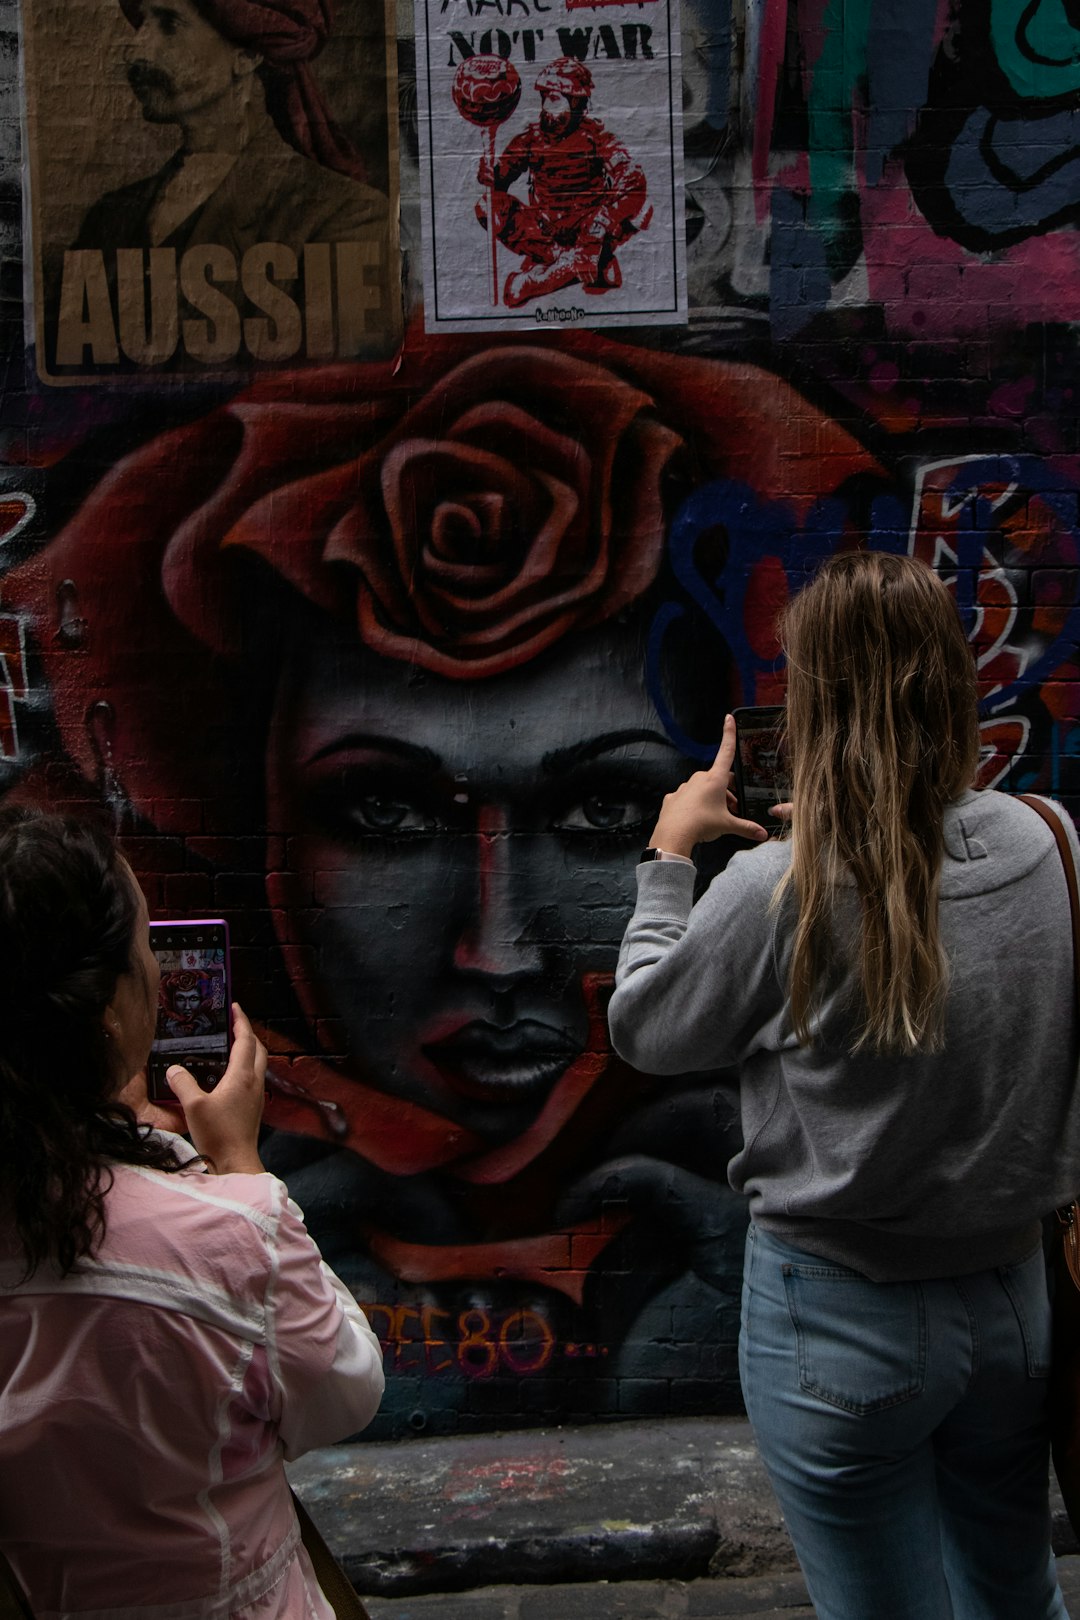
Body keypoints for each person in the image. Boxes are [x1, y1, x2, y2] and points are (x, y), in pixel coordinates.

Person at [608, 551, 1080, 1619]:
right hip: (1013, 1308)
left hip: (837, 1319)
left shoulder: (779, 887)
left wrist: (671, 863)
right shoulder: (1053, 843)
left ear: (816, 704)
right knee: (1016, 1593)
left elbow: (646, 1028)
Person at [0, 805, 385, 1617]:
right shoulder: (223, 1233)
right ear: (110, 1015)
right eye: (146, 951)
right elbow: (343, 1389)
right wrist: (240, 1168)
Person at [73, 0, 390, 261]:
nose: (137, 50)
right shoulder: (108, 218)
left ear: (248, 55)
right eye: (142, 24)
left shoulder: (343, 215)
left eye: (169, 24)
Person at [477, 59, 651, 307]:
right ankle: (575, 263)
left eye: (557, 99)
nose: (549, 107)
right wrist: (489, 176)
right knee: (487, 206)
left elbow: (633, 180)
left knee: (644, 210)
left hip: (588, 226)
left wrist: (605, 218)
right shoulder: (530, 138)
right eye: (546, 97)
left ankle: (547, 276)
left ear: (577, 102)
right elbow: (499, 181)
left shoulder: (597, 137)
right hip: (544, 228)